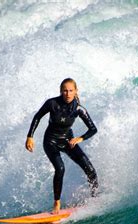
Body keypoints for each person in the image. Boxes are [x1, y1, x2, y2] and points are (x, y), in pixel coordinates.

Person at [25, 78, 98, 214]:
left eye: (71, 90)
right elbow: (37, 117)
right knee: (60, 168)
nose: (68, 94)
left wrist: (80, 138)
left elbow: (93, 129)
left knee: (91, 171)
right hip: (50, 141)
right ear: (61, 91)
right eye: (65, 90)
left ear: (76, 91)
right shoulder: (52, 103)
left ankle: (94, 198)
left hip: (67, 141)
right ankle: (57, 203)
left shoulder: (78, 109)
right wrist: (30, 136)